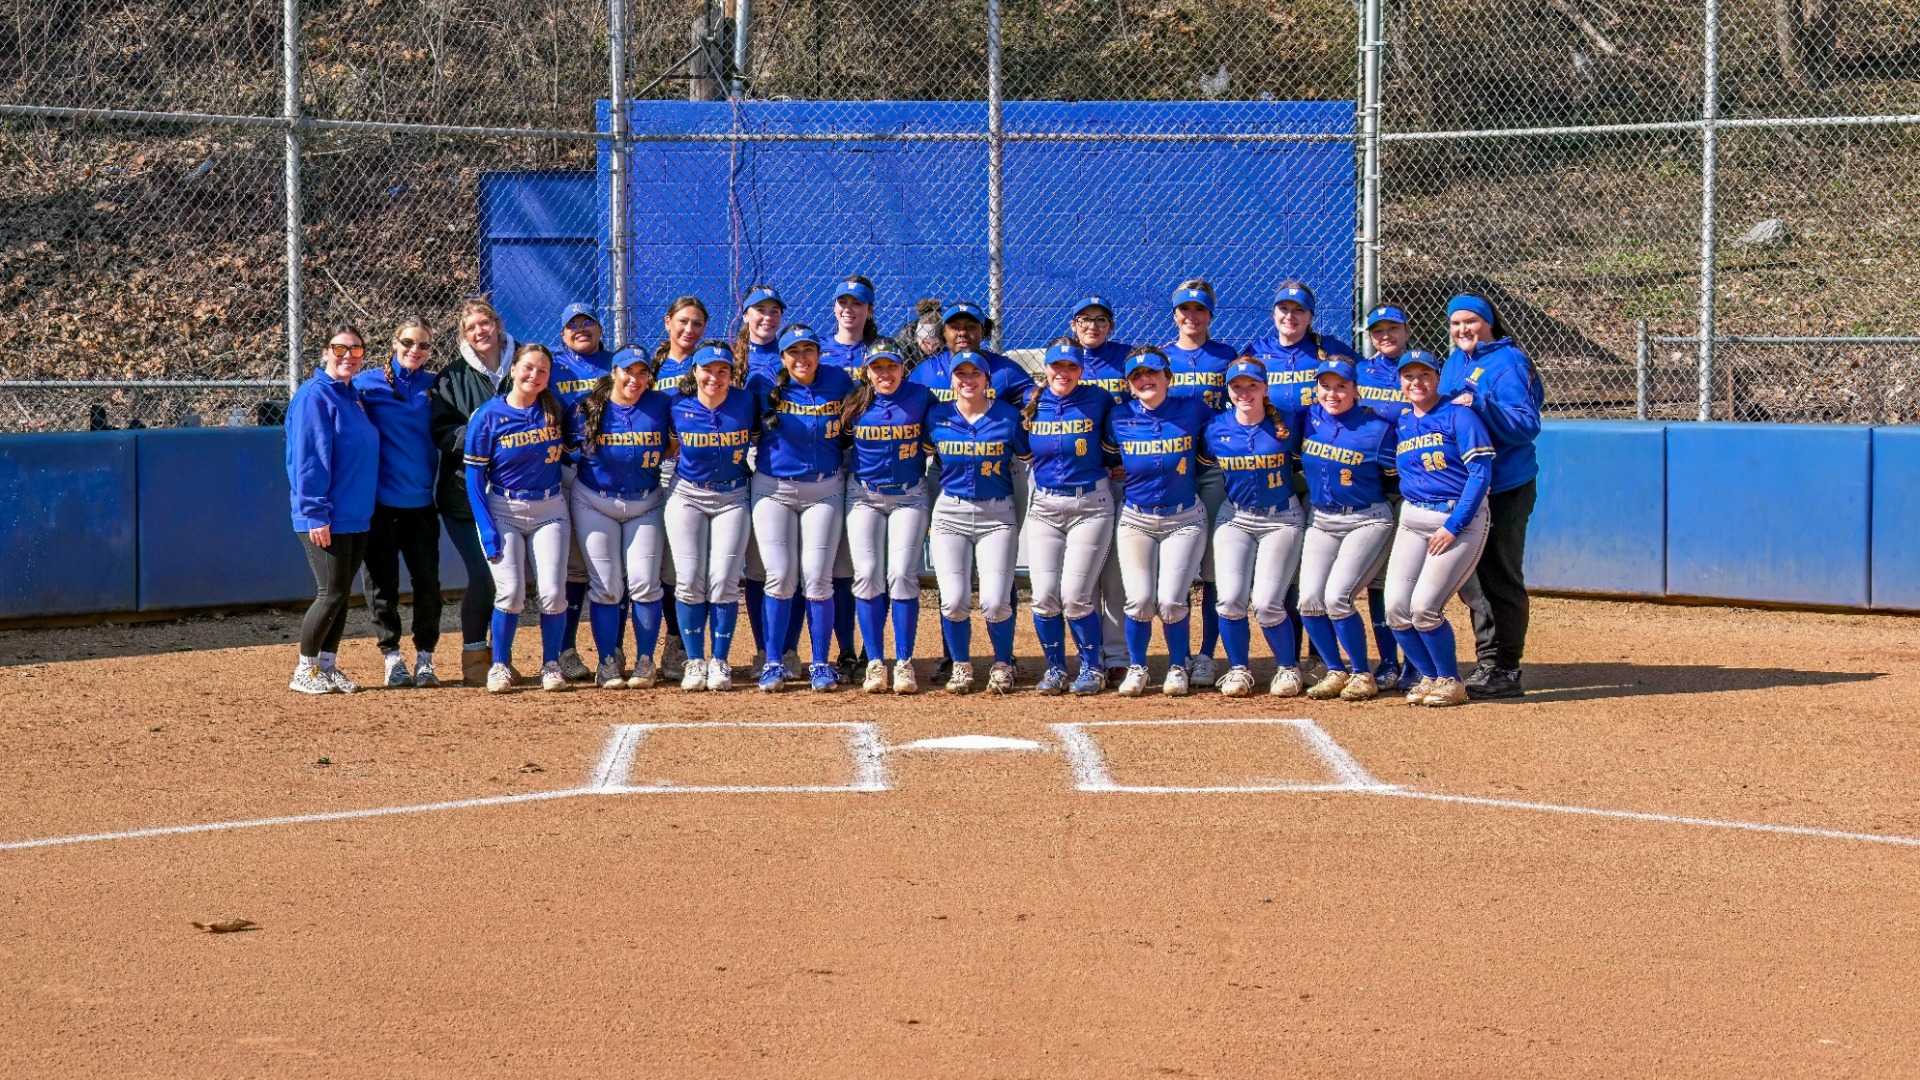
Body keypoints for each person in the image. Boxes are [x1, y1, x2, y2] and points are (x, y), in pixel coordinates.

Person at [1244, 281, 1364, 683]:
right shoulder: (1256, 353)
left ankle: (1322, 656)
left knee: (1318, 570)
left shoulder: (1330, 352)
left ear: (1311, 316)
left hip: (1322, 467)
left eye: (1299, 311)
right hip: (1273, 469)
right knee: (1292, 572)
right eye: (1283, 309)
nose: (1290, 317)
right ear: (1273, 313)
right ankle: (1291, 659)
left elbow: (1361, 393)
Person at [1441, 294, 1545, 699]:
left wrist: (1480, 402)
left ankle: (1505, 668)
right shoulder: (1455, 362)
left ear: (1489, 323)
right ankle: (1489, 661)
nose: (1463, 329)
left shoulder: (1509, 362)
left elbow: (1525, 424)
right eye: (1455, 323)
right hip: (1469, 485)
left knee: (1499, 577)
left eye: (1471, 322)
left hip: (1505, 486)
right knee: (1474, 580)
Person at [1103, 346, 1215, 697]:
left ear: (1169, 377)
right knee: (1139, 601)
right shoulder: (1119, 417)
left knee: (1170, 601)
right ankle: (1137, 667)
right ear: (1129, 384)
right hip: (1136, 518)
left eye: (1153, 372)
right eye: (1137, 375)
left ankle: (1178, 666)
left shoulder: (1192, 410)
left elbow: (1208, 455)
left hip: (1183, 518)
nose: (1145, 379)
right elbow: (1107, 457)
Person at [1385, 349, 1494, 707]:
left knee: (1424, 607)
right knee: (1396, 610)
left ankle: (1450, 680)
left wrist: (1454, 524)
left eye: (1425, 376)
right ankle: (1429, 677)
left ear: (1437, 378)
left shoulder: (1459, 415)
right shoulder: (1403, 421)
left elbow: (1480, 475)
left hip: (1456, 520)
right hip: (1412, 519)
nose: (1417, 383)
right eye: (1409, 377)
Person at [464, 343, 575, 693]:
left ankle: (551, 664)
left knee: (554, 594)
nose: (534, 375)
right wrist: (486, 528)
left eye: (542, 370)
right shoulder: (488, 415)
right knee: (510, 593)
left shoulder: (555, 407)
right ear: (513, 369)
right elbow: (473, 480)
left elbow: (575, 454)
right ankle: (500, 665)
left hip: (550, 509)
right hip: (504, 509)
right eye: (528, 367)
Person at [750, 324, 856, 692]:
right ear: (782, 358)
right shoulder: (762, 385)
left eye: (808, 349)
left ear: (819, 352)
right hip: (773, 489)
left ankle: (821, 663)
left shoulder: (839, 380)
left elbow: (855, 425)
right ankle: (774, 661)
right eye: (793, 352)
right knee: (779, 575)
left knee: (817, 576)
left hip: (825, 488)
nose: (802, 358)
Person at [925, 350, 1031, 693]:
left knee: (996, 600)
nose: (968, 380)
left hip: (996, 513)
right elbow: (926, 459)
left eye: (975, 374)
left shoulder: (1008, 417)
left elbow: (1027, 461)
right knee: (954, 599)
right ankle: (960, 665)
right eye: (961, 374)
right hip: (950, 512)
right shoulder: (937, 416)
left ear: (988, 380)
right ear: (952, 380)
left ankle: (1002, 664)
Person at [569, 346, 673, 689]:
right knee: (607, 587)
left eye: (643, 372)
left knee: (645, 583)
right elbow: (562, 449)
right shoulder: (586, 407)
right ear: (614, 372)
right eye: (628, 371)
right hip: (595, 502)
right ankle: (607, 662)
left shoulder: (659, 405)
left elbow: (674, 444)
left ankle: (646, 661)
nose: (635, 379)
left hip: (645, 503)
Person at [1203, 357, 1306, 697]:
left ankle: (1288, 668)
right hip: (1235, 517)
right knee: (1230, 599)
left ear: (1265, 388)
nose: (1244, 392)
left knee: (1266, 603)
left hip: (1282, 519)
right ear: (1228, 390)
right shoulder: (1216, 428)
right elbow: (1195, 466)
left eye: (1252, 386)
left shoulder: (1288, 423)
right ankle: (1238, 669)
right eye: (1237, 386)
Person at [286, 324, 381, 694]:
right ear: (326, 351)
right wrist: (314, 512)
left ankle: (326, 666)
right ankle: (304, 670)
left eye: (357, 351)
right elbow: (308, 459)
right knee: (330, 592)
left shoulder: (351, 395)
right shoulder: (315, 396)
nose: (349, 357)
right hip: (327, 514)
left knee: (341, 593)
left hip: (356, 513)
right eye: (341, 349)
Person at [1296, 359, 1398, 701]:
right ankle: (1335, 670)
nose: (1333, 393)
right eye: (1325, 385)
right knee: (1309, 600)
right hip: (1322, 520)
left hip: (1366, 518)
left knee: (1337, 597)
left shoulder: (1379, 428)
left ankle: (1361, 673)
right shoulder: (1308, 418)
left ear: (1356, 389)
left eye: (1341, 386)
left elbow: (1402, 473)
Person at [1019, 340, 1116, 695]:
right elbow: (1026, 452)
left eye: (1071, 367)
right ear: (1046, 369)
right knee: (1044, 595)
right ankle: (1056, 668)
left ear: (1082, 370)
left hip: (1090, 503)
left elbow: (1111, 447)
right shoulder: (1031, 402)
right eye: (1057, 366)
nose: (1063, 373)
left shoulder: (1099, 400)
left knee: (1076, 595)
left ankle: (1092, 666)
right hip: (1045, 505)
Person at [353, 317, 444, 689]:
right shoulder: (366, 384)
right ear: (394, 342)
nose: (415, 351)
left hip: (421, 502)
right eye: (408, 343)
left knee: (428, 583)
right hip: (380, 504)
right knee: (381, 584)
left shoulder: (435, 386)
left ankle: (426, 658)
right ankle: (392, 657)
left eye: (423, 346)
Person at [430, 298, 517, 687]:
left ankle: (503, 659)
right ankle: (474, 655)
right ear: (463, 336)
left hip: (517, 495)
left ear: (497, 325)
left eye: (485, 323)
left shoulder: (524, 366)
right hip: (464, 496)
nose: (480, 331)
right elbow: (441, 432)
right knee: (485, 576)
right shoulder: (451, 378)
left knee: (512, 580)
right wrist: (486, 438)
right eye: (470, 328)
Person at [840, 345, 936, 694]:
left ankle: (905, 661)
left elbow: (938, 433)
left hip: (909, 495)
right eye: (877, 368)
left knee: (901, 574)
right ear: (867, 372)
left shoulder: (921, 397)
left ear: (902, 368)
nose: (885, 374)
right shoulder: (856, 403)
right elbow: (838, 443)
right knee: (866, 575)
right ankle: (876, 662)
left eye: (891, 367)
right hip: (864, 496)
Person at [665, 341, 758, 691]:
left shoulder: (746, 401)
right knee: (688, 579)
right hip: (688, 494)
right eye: (707, 370)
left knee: (724, 580)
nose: (714, 378)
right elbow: (671, 448)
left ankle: (719, 660)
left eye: (723, 371)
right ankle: (694, 661)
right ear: (695, 372)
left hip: (733, 495)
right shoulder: (678, 404)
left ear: (732, 374)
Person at [1160, 280, 1237, 689]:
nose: (1192, 317)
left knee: (1210, 570)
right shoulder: (1162, 359)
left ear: (1211, 315)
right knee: (1176, 571)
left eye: (1200, 310)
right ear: (1175, 315)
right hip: (1169, 470)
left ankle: (1206, 654)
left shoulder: (1227, 357)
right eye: (1185, 310)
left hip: (1211, 468)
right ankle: (1178, 654)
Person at [1066, 295, 1135, 684]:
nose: (1092, 325)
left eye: (1101, 319)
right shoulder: (1063, 361)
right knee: (1083, 573)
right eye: (1084, 319)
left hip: (1122, 476)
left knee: (1115, 573)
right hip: (1083, 477)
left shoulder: (1127, 359)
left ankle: (1117, 654)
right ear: (1074, 325)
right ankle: (1087, 653)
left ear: (1111, 326)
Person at [548, 302, 618, 684]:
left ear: (599, 329)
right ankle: (566, 649)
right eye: (572, 324)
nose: (580, 329)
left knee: (614, 571)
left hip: (610, 473)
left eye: (587, 323)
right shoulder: (553, 366)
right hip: (566, 470)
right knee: (573, 568)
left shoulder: (616, 362)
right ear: (562, 334)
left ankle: (615, 649)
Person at [1356, 303, 1420, 691]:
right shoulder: (1360, 373)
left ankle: (1416, 661)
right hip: (1370, 483)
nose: (1385, 336)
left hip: (1412, 484)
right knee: (1378, 581)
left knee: (1408, 577)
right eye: (1378, 330)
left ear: (1406, 330)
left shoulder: (1422, 371)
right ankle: (1387, 661)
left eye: (1392, 328)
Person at [649, 296, 712, 682]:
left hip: (701, 468)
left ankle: (698, 648)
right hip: (659, 468)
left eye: (698, 324)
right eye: (683, 322)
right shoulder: (653, 367)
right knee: (667, 566)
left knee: (699, 565)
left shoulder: (712, 364)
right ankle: (675, 640)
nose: (689, 330)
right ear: (668, 322)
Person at [821, 276, 881, 680]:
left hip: (869, 463)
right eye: (843, 302)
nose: (849, 309)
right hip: (827, 461)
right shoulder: (817, 350)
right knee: (839, 564)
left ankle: (870, 648)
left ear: (869, 310)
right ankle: (845, 651)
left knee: (871, 564)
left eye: (857, 303)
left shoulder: (881, 351)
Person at [732, 285, 785, 669]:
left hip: (777, 459)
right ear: (745, 315)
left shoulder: (791, 354)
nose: (766, 317)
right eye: (759, 310)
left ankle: (783, 648)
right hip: (737, 458)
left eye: (773, 311)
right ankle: (762, 647)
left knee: (779, 566)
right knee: (754, 565)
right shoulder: (726, 358)